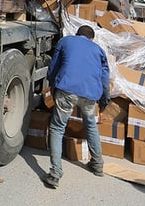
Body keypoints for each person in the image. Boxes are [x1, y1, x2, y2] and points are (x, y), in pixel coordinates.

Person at [44, 25, 110, 188]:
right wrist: (104, 100)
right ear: (91, 39)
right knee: (90, 125)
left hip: (66, 89)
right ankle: (98, 164)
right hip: (90, 94)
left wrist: (52, 83)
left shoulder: (66, 41)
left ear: (77, 35)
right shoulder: (99, 50)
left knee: (58, 128)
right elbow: (105, 78)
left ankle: (55, 173)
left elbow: (54, 66)